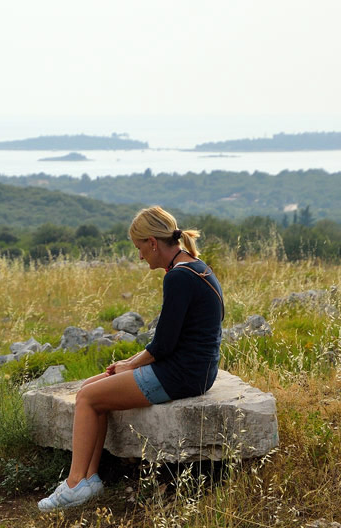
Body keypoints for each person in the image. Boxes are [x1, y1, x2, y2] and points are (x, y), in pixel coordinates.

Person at [38, 206, 224, 511]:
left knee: (87, 398)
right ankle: (87, 480)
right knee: (90, 387)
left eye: (139, 248)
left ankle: (75, 484)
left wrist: (131, 364)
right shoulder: (196, 266)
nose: (140, 257)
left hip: (181, 374)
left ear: (152, 242)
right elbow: (171, 340)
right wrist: (128, 365)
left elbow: (163, 345)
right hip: (195, 369)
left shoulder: (178, 278)